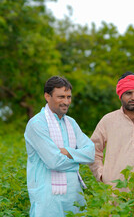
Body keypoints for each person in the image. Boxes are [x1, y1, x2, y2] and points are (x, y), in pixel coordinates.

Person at [24, 76, 95, 217]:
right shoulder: (37, 124)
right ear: (47, 96)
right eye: (61, 96)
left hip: (74, 197)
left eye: (69, 97)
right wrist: (77, 160)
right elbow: (54, 162)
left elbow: (91, 153)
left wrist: (68, 152)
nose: (66, 102)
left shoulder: (71, 123)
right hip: (48, 201)